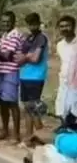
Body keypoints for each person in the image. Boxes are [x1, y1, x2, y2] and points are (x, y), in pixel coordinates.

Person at [17, 12, 49, 144]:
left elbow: (36, 59)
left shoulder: (41, 38)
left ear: (39, 22)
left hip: (36, 77)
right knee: (27, 108)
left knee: (33, 108)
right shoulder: (28, 38)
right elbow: (19, 58)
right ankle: (29, 137)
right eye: (30, 24)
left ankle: (40, 136)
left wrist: (26, 57)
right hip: (24, 75)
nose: (32, 26)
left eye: (34, 23)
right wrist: (27, 56)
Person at [0, 11, 25, 144]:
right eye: (3, 21)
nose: (5, 23)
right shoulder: (5, 35)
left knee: (12, 104)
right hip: (1, 71)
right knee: (2, 103)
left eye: (8, 21)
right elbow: (0, 53)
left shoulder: (15, 35)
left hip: (11, 72)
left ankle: (16, 135)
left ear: (13, 22)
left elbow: (7, 56)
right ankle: (5, 130)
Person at [56, 16, 77, 119]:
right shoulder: (60, 45)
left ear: (73, 27)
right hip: (64, 84)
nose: (64, 28)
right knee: (62, 112)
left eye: (67, 26)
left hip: (75, 86)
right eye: (61, 26)